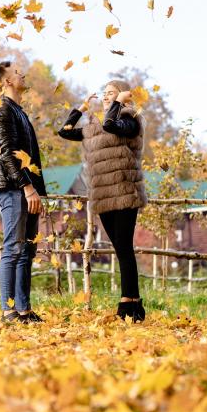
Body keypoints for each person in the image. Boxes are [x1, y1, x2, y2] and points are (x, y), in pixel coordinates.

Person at [58, 80, 147, 322]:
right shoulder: (92, 128)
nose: (107, 97)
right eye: (105, 94)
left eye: (112, 94)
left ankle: (129, 301)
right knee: (119, 247)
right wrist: (81, 109)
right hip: (103, 196)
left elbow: (111, 123)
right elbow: (64, 131)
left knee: (125, 248)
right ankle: (134, 302)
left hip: (125, 190)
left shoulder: (130, 119)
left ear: (123, 96)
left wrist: (120, 103)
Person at [0, 61, 47, 324]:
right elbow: (7, 152)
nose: (23, 74)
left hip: (27, 189)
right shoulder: (1, 110)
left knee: (27, 250)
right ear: (5, 81)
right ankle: (8, 310)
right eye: (17, 72)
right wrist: (27, 187)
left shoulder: (18, 111)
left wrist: (37, 192)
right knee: (12, 248)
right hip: (13, 189)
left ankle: (23, 309)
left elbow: (30, 157)